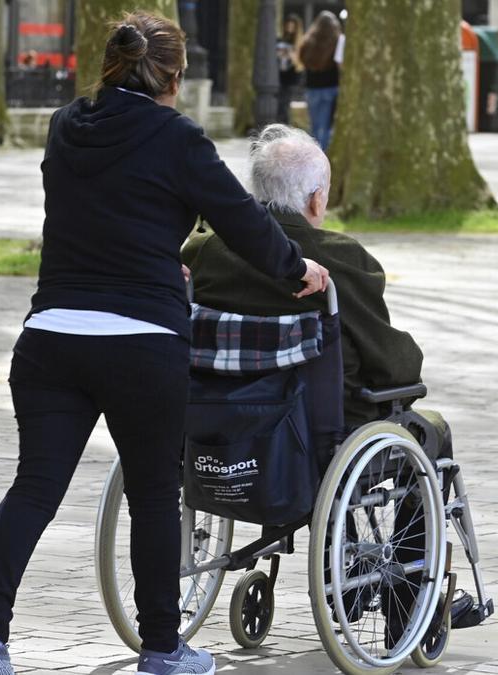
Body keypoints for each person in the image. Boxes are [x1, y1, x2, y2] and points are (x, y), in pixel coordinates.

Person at [0, 14, 329, 675]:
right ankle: (162, 649)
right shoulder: (179, 139)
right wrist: (299, 269)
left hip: (51, 337)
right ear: (175, 79)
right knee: (155, 494)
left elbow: (92, 211)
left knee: (33, 489)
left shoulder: (68, 126)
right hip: (140, 344)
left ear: (111, 66)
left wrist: (157, 254)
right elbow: (241, 222)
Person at [182, 123, 463, 638]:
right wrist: (407, 372)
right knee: (430, 431)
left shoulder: (206, 249)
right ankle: (407, 605)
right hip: (315, 439)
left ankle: (351, 563)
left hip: (220, 425)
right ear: (315, 199)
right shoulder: (339, 259)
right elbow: (391, 366)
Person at [297, 11, 344, 151]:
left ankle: (314, 154)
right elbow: (340, 64)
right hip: (331, 87)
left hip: (312, 88)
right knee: (326, 127)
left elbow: (301, 60)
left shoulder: (308, 41)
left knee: (315, 126)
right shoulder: (338, 40)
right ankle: (322, 156)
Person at [276, 14, 305, 124]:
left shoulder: (299, 42)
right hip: (279, 75)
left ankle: (284, 126)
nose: (290, 29)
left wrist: (293, 57)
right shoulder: (280, 40)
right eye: (288, 26)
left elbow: (300, 66)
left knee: (284, 104)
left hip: (291, 77)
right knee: (280, 104)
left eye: (292, 27)